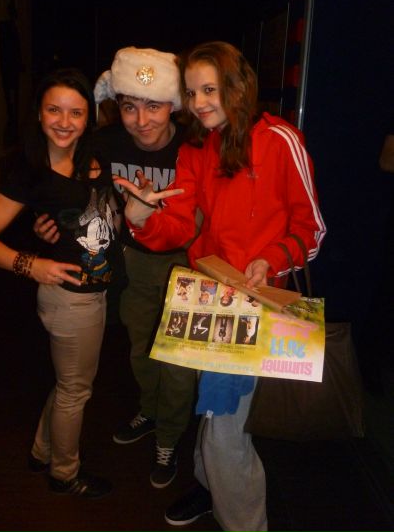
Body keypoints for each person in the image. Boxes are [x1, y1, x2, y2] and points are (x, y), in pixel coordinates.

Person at [114, 41, 326, 531]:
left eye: (209, 90)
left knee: (225, 426)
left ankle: (245, 521)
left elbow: (311, 228)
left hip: (258, 307)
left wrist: (271, 259)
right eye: (191, 93)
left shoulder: (280, 140)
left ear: (237, 86)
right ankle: (211, 488)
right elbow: (180, 227)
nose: (199, 103)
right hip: (208, 299)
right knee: (210, 414)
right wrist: (143, 219)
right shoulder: (197, 149)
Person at [34, 47, 197, 489]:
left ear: (173, 106)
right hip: (133, 263)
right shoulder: (104, 145)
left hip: (187, 263)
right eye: (129, 107)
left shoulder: (194, 148)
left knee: (178, 361)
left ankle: (169, 439)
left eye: (154, 106)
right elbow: (64, 184)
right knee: (141, 349)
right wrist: (46, 222)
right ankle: (150, 411)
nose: (141, 120)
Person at [0, 67, 124, 499]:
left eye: (76, 112)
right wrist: (31, 265)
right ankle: (64, 473)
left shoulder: (92, 154)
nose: (64, 122)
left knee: (70, 382)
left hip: (93, 292)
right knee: (76, 390)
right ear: (39, 113)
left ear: (88, 117)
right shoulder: (29, 171)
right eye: (54, 110)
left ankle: (41, 450)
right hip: (69, 299)